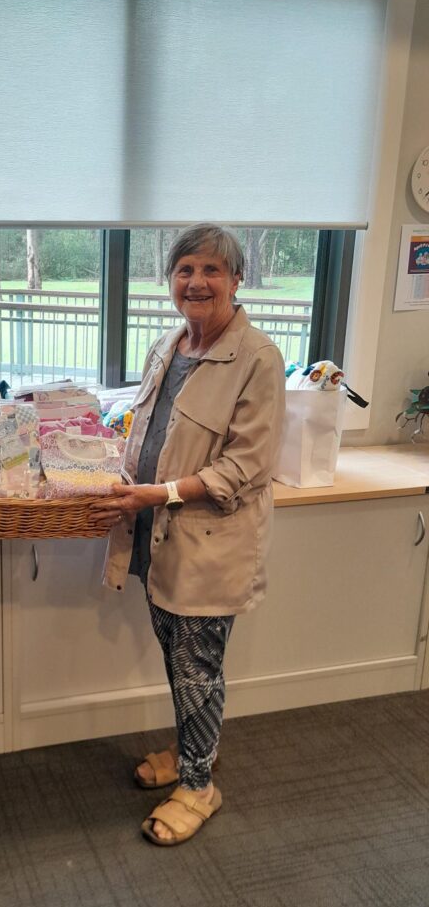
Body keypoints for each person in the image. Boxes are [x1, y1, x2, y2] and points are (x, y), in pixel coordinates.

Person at [95, 224, 285, 846]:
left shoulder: (258, 357)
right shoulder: (169, 345)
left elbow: (246, 466)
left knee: (197, 664)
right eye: (184, 270)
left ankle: (200, 784)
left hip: (208, 542)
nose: (196, 282)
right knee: (178, 659)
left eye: (210, 270)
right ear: (170, 280)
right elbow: (146, 429)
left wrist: (161, 493)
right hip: (154, 535)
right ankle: (191, 752)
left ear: (236, 279)